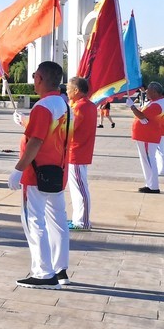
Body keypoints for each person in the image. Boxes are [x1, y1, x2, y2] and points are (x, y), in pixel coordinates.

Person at [8, 61, 71, 289]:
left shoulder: (43, 107)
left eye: (34, 75)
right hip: (57, 172)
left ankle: (44, 273)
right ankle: (60, 268)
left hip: (37, 174)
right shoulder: (64, 105)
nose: (33, 79)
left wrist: (18, 170)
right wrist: (25, 120)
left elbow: (36, 141)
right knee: (58, 221)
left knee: (34, 221)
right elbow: (50, 132)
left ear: (41, 79)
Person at [63, 77, 97, 231]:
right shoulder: (87, 105)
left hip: (76, 151)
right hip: (80, 151)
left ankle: (83, 221)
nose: (66, 91)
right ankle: (79, 219)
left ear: (76, 90)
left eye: (69, 88)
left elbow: (69, 128)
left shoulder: (79, 107)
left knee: (80, 188)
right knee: (78, 187)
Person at [130, 81, 164, 194]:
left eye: (148, 91)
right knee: (147, 160)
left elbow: (141, 115)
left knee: (149, 160)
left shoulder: (157, 104)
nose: (146, 93)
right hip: (146, 135)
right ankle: (150, 184)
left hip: (148, 136)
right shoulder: (155, 102)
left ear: (154, 92)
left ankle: (153, 186)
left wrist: (131, 106)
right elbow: (143, 113)